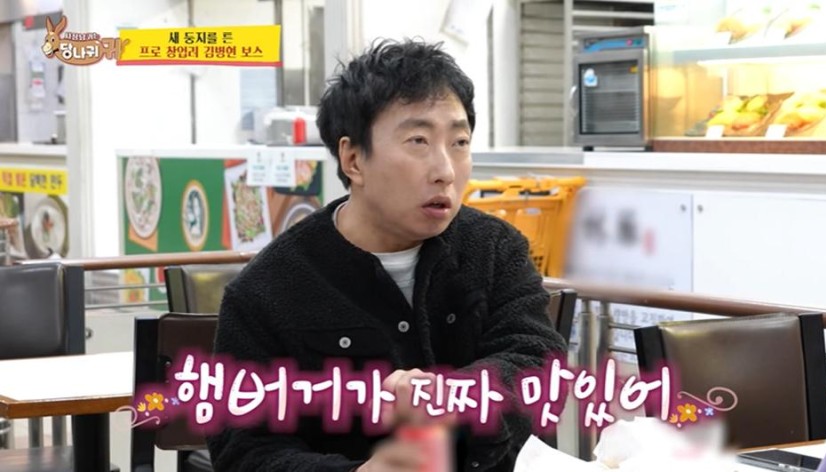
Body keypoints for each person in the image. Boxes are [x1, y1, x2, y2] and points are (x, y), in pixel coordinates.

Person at [207, 38, 567, 472]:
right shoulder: (267, 290)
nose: (445, 171)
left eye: (459, 142)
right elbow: (244, 450)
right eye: (418, 140)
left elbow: (535, 359)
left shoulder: (494, 247)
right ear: (354, 160)